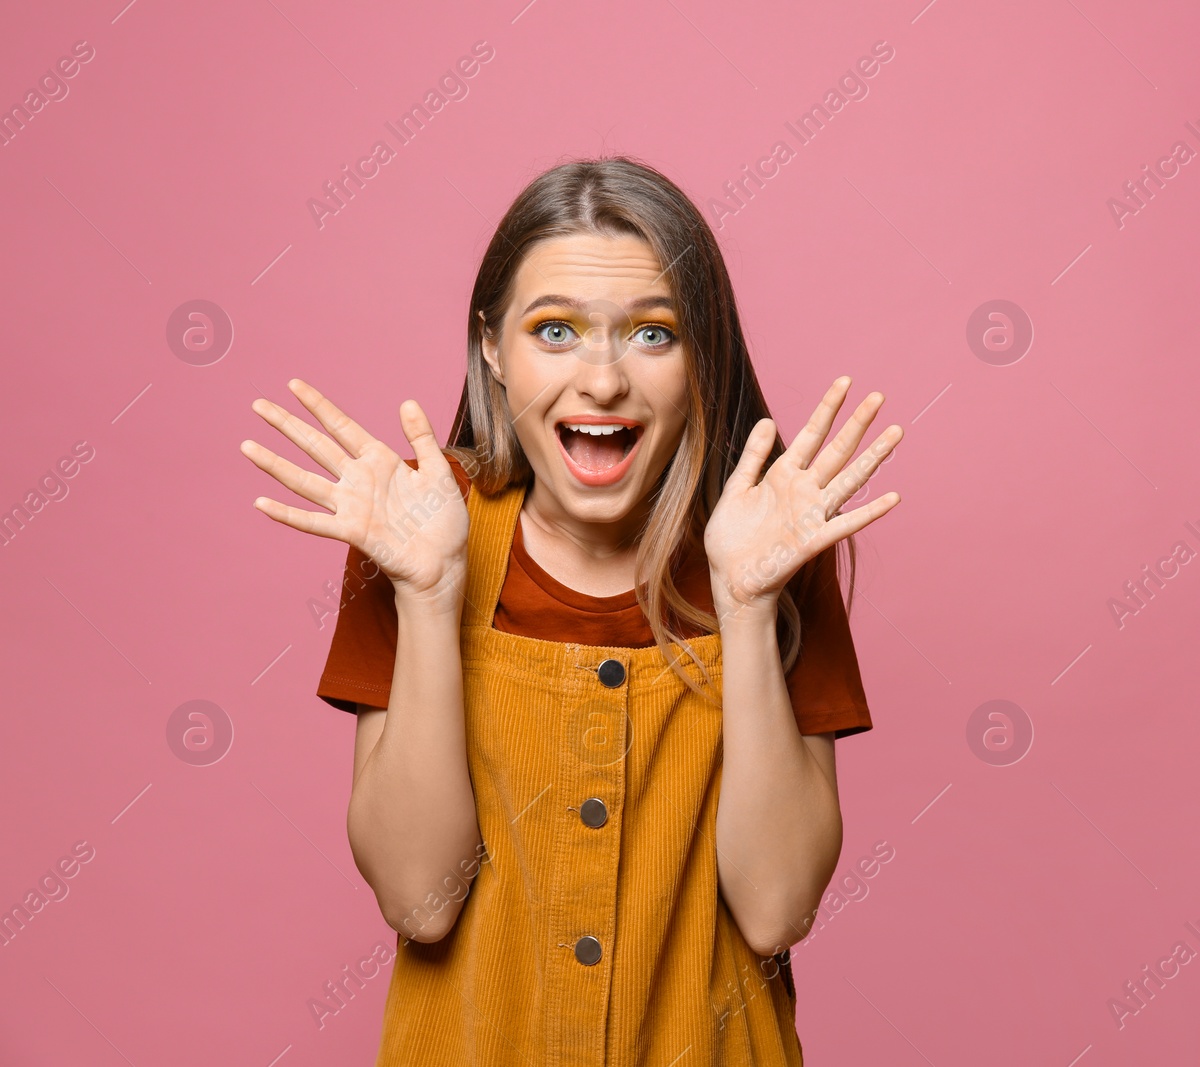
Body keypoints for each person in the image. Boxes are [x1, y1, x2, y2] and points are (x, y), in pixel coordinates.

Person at [239, 156, 903, 1065]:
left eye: (653, 335)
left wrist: (747, 606)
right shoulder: (417, 534)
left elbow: (778, 905)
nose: (601, 381)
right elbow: (420, 899)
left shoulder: (771, 547)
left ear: (703, 351)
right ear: (491, 348)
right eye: (554, 331)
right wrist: (431, 598)